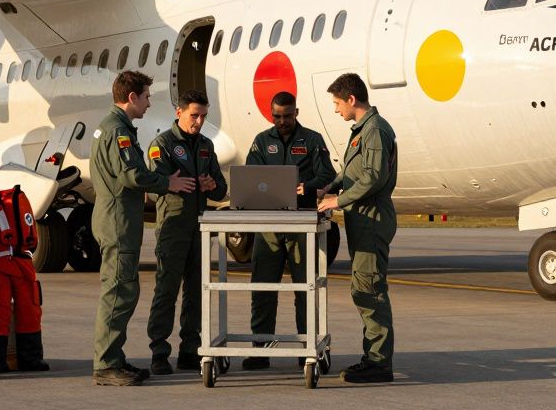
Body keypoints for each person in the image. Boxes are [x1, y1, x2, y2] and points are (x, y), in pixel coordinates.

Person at [91, 70, 195, 386]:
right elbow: (132, 176)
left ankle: (114, 358)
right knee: (119, 291)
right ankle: (106, 364)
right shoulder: (117, 133)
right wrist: (169, 182)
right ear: (132, 97)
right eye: (147, 97)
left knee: (123, 289)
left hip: (119, 219)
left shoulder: (116, 129)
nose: (150, 104)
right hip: (118, 222)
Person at [242, 91, 335, 370]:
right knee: (263, 289)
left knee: (305, 289)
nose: (283, 121)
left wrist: (305, 186)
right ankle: (261, 349)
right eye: (278, 116)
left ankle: (307, 349)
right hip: (269, 225)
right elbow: (250, 175)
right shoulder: (261, 141)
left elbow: (327, 175)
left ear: (296, 112)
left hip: (301, 224)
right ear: (272, 115)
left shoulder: (312, 140)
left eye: (287, 116)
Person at [317, 73, 398, 383]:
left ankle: (378, 362)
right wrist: (329, 187)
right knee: (365, 287)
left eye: (338, 103)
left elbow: (374, 177)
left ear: (351, 100)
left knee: (369, 289)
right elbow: (354, 172)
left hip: (371, 218)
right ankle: (374, 357)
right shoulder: (363, 131)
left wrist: (338, 200)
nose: (336, 109)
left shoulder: (375, 131)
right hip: (362, 217)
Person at [145, 90, 228, 374]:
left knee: (196, 291)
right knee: (166, 290)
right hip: (173, 226)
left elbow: (221, 188)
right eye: (194, 115)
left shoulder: (206, 146)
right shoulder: (163, 144)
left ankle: (190, 350)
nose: (199, 121)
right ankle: (159, 351)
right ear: (179, 112)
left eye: (204, 116)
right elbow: (153, 181)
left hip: (199, 227)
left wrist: (209, 185)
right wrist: (170, 184)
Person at [0, 184, 49, 374]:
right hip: (19, 262)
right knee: (29, 311)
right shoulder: (17, 199)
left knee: (0, 313)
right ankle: (30, 359)